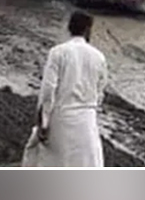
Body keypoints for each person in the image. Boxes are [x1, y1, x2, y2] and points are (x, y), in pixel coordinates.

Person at [33, 11, 109, 167]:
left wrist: (44, 122)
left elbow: (48, 91)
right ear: (88, 30)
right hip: (87, 122)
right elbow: (100, 94)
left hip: (61, 119)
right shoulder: (99, 57)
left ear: (69, 28)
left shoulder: (58, 52)